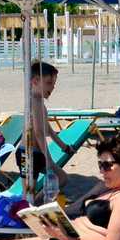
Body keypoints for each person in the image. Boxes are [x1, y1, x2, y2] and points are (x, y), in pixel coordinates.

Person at [22, 61, 73, 193]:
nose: (52, 88)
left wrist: (64, 146)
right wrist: (49, 159)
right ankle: (33, 206)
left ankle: (37, 205)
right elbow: (39, 132)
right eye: (49, 83)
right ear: (35, 81)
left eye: (54, 84)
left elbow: (47, 129)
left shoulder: (39, 101)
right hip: (28, 153)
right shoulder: (34, 102)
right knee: (28, 192)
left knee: (61, 178)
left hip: (35, 153)